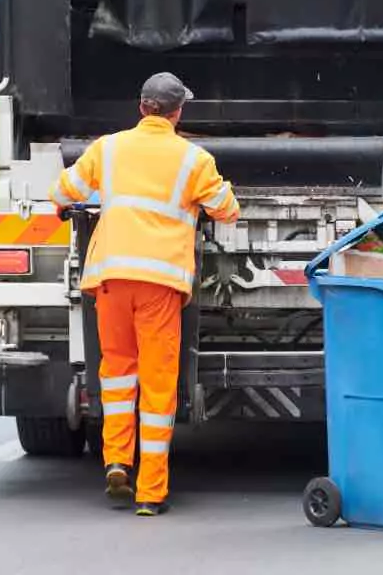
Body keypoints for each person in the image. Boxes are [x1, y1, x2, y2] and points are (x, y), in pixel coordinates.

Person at [50, 72, 240, 516]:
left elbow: (62, 192)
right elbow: (227, 210)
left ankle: (116, 459)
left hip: (111, 276)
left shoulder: (107, 148)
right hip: (160, 283)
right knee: (157, 384)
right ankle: (150, 492)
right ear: (178, 113)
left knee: (116, 372)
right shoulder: (194, 159)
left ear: (141, 108)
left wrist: (69, 204)